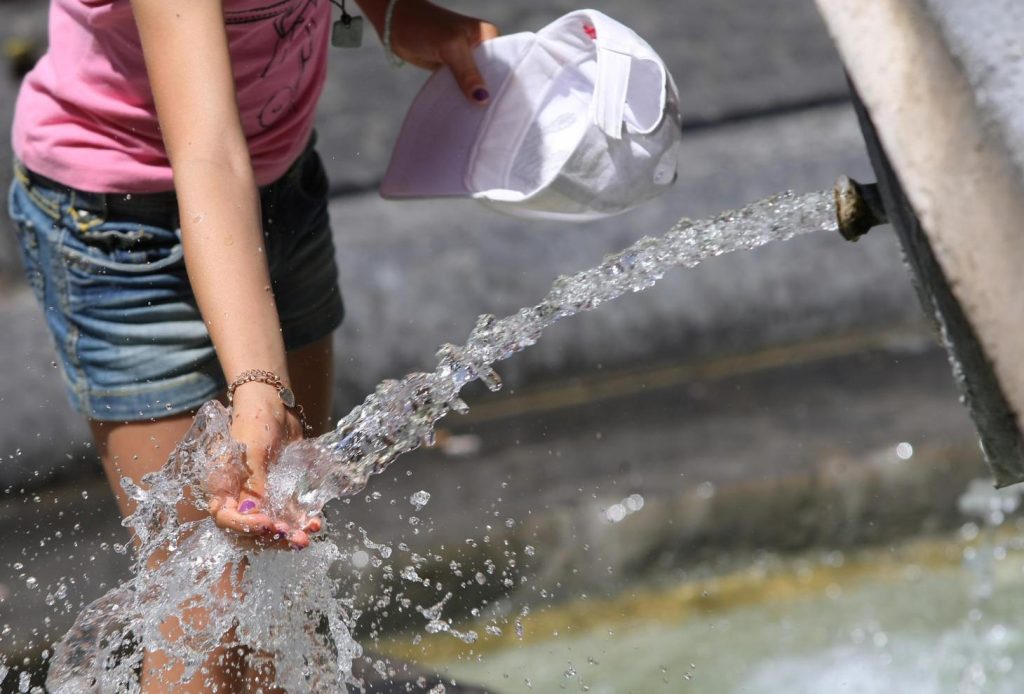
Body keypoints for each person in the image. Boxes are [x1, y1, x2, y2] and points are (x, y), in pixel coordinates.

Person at [7, 0, 497, 689]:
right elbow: (206, 153)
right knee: (203, 621)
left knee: (279, 588)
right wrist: (261, 387)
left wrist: (388, 12)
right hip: (122, 228)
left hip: (280, 185)